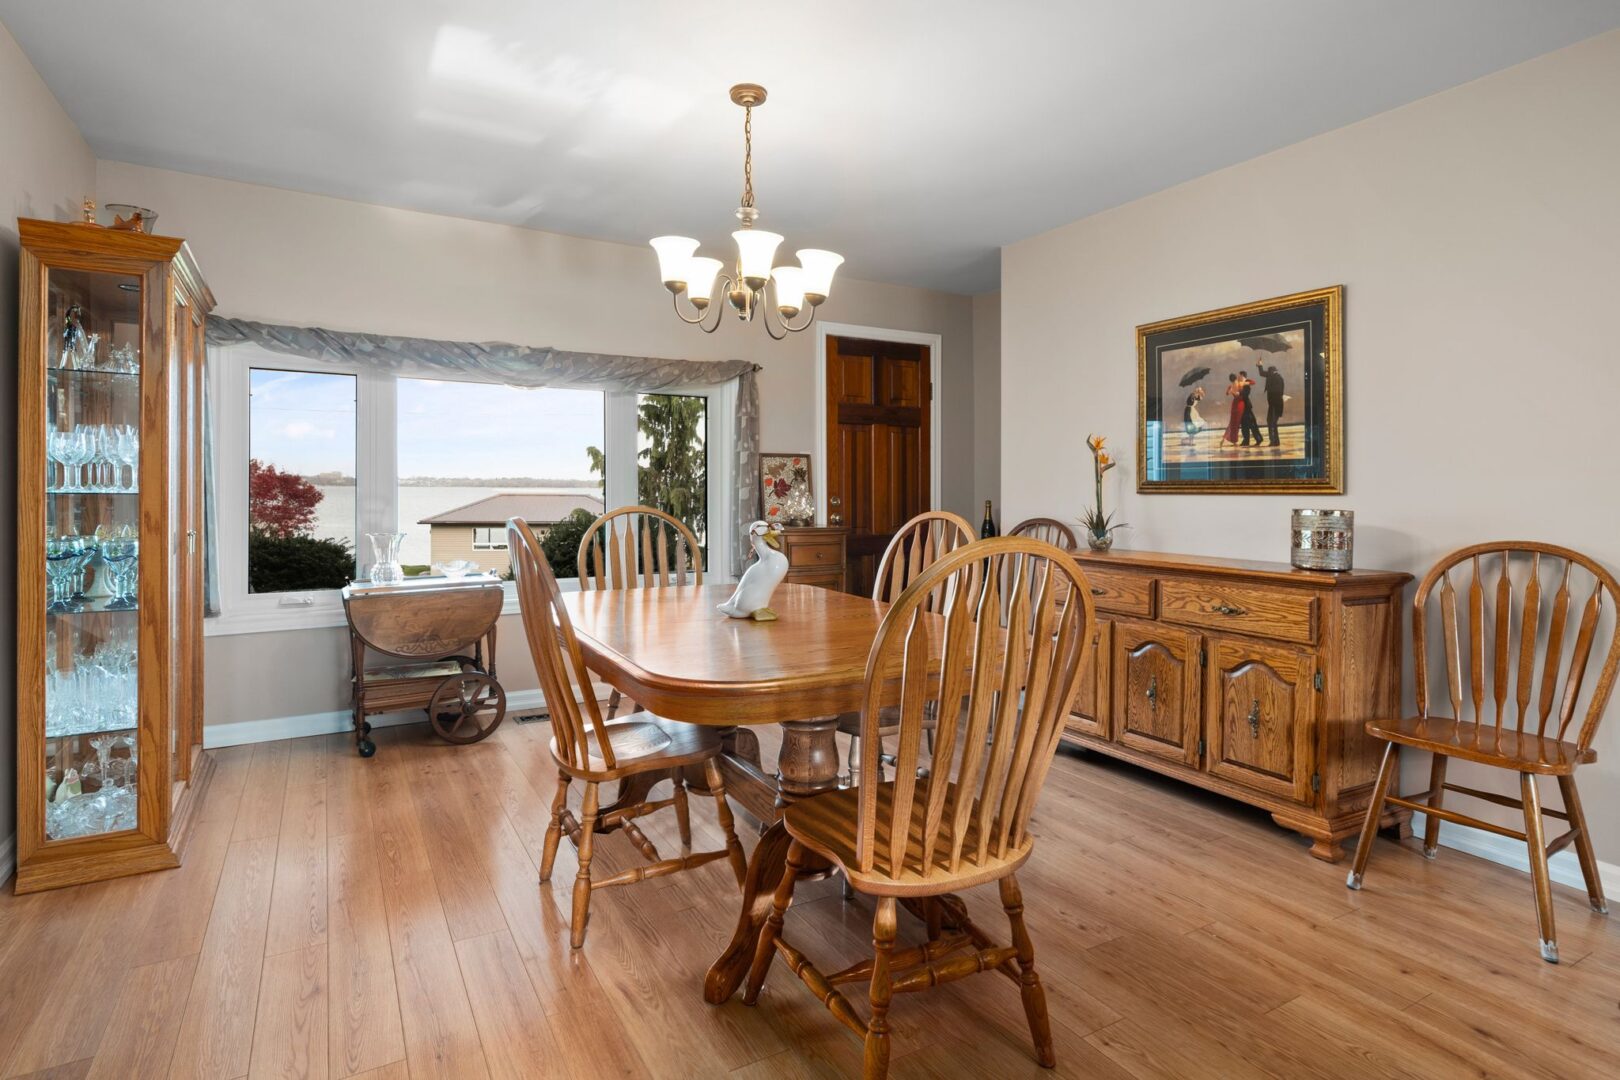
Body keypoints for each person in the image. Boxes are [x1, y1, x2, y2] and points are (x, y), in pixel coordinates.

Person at [1255, 361, 1286, 447]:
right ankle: (1275, 441)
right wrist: (1260, 365)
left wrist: (1260, 365)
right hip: (1275, 404)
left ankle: (1274, 441)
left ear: (1271, 372)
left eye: (1268, 372)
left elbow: (1277, 392)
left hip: (1274, 404)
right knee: (1272, 422)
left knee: (1271, 421)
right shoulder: (1276, 377)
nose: (1267, 374)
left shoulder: (1275, 378)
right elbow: (1262, 373)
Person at [1237, 370, 1263, 447]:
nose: (1238, 377)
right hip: (1242, 406)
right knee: (1244, 424)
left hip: (1246, 406)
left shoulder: (1246, 383)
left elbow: (1246, 394)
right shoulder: (1241, 384)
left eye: (1239, 376)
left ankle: (1258, 439)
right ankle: (1246, 440)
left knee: (1252, 423)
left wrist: (1239, 393)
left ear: (1242, 376)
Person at [1221, 373, 1245, 449]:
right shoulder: (1239, 384)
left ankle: (1225, 438)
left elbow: (1227, 393)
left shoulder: (1231, 386)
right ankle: (1234, 441)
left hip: (1234, 404)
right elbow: (1239, 394)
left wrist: (1231, 391)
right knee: (1236, 423)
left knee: (1232, 423)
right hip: (1240, 404)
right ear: (1235, 378)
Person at [1182, 386, 1207, 451]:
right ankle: (1190, 441)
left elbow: (1201, 397)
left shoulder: (1196, 396)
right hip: (1189, 411)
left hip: (1192, 411)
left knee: (1196, 425)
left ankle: (1190, 440)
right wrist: (1197, 392)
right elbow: (1191, 400)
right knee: (1191, 425)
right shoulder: (1192, 395)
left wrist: (1201, 392)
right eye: (1198, 391)